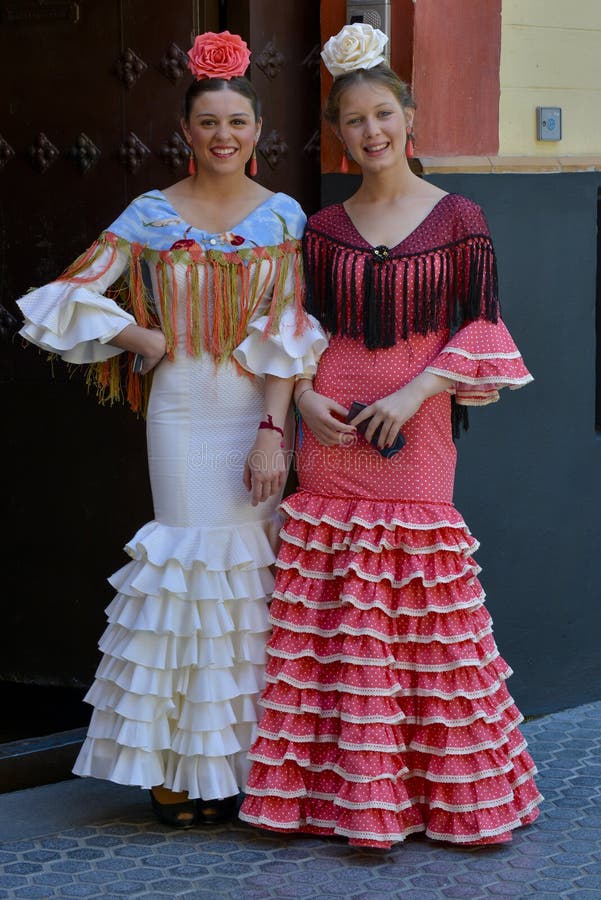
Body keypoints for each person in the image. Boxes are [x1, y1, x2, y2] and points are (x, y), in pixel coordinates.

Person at [239, 23, 543, 848]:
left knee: (420, 607)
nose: (369, 132)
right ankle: (336, 804)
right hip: (329, 435)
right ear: (337, 135)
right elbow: (297, 328)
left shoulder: (458, 215)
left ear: (408, 118)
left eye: (382, 115)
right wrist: (297, 401)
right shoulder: (324, 225)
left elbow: (478, 327)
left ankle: (442, 803)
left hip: (414, 434)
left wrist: (416, 393)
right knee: (336, 612)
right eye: (353, 121)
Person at [16, 31, 325, 829]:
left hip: (253, 408)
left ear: (258, 132)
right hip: (182, 410)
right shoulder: (150, 214)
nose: (224, 135)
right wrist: (137, 338)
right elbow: (67, 291)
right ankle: (178, 771)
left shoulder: (283, 215)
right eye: (208, 122)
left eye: (238, 122)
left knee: (248, 584)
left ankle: (245, 765)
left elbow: (289, 333)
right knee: (190, 571)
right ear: (186, 133)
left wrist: (272, 432)